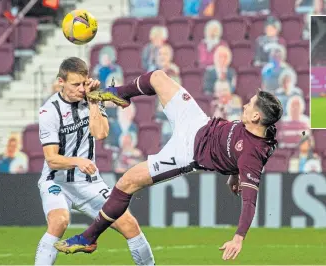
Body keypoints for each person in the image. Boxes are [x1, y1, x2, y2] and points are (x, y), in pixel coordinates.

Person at [55, 70, 283, 261]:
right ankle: (120, 94)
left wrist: (238, 237)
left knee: (127, 182)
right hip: (197, 122)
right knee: (158, 77)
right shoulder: (262, 129)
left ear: (255, 117)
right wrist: (234, 173)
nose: (244, 104)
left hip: (186, 153)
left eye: (249, 104)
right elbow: (237, 153)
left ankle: (88, 238)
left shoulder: (253, 153)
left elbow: (250, 201)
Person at [35, 57, 155, 265]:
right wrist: (77, 161)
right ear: (61, 82)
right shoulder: (49, 112)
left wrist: (93, 103)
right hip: (56, 182)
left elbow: (101, 134)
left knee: (129, 224)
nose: (81, 89)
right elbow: (52, 160)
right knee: (59, 222)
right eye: (75, 84)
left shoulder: (92, 99)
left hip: (89, 183)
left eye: (83, 83)